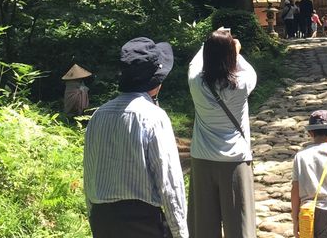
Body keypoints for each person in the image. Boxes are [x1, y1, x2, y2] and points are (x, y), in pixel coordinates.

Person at [83, 37, 188, 238]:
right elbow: (169, 183)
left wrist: (93, 218)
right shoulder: (154, 117)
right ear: (156, 82)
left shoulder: (98, 115)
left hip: (102, 220)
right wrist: (181, 232)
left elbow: (89, 174)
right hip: (143, 222)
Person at [188, 29, 257, 238]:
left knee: (203, 228)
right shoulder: (243, 83)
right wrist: (235, 48)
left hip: (202, 159)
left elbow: (194, 64)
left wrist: (208, 43)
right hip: (235, 161)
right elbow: (247, 68)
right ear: (231, 56)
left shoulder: (196, 83)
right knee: (240, 227)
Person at [291, 110, 327, 238]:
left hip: (306, 212)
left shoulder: (300, 156)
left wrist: (295, 219)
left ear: (311, 133)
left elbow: (295, 190)